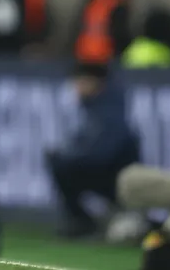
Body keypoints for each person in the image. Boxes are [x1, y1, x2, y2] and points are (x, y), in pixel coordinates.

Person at [45, 62, 140, 238]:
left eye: (80, 81)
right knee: (59, 162)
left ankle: (85, 222)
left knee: (61, 165)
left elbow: (102, 152)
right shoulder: (94, 105)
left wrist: (70, 156)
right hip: (109, 172)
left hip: (118, 176)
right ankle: (83, 221)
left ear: (94, 82)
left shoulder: (109, 108)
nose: (76, 87)